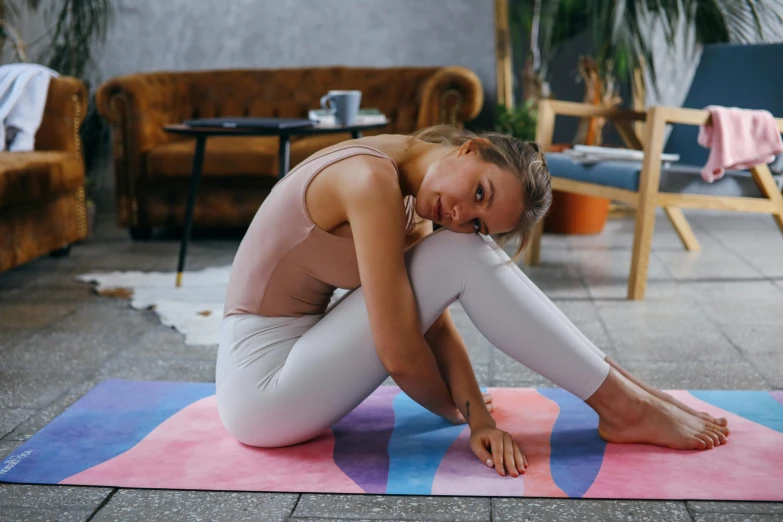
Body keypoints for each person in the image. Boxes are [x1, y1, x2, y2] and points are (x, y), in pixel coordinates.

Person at [217, 125, 729, 478]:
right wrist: (462, 413)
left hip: (288, 362)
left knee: (457, 251)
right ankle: (624, 405)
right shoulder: (371, 180)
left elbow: (431, 323)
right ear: (470, 148)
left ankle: (632, 394)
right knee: (459, 254)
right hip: (263, 389)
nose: (462, 215)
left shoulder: (414, 186)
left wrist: (475, 413)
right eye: (480, 194)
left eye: (480, 221)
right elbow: (398, 349)